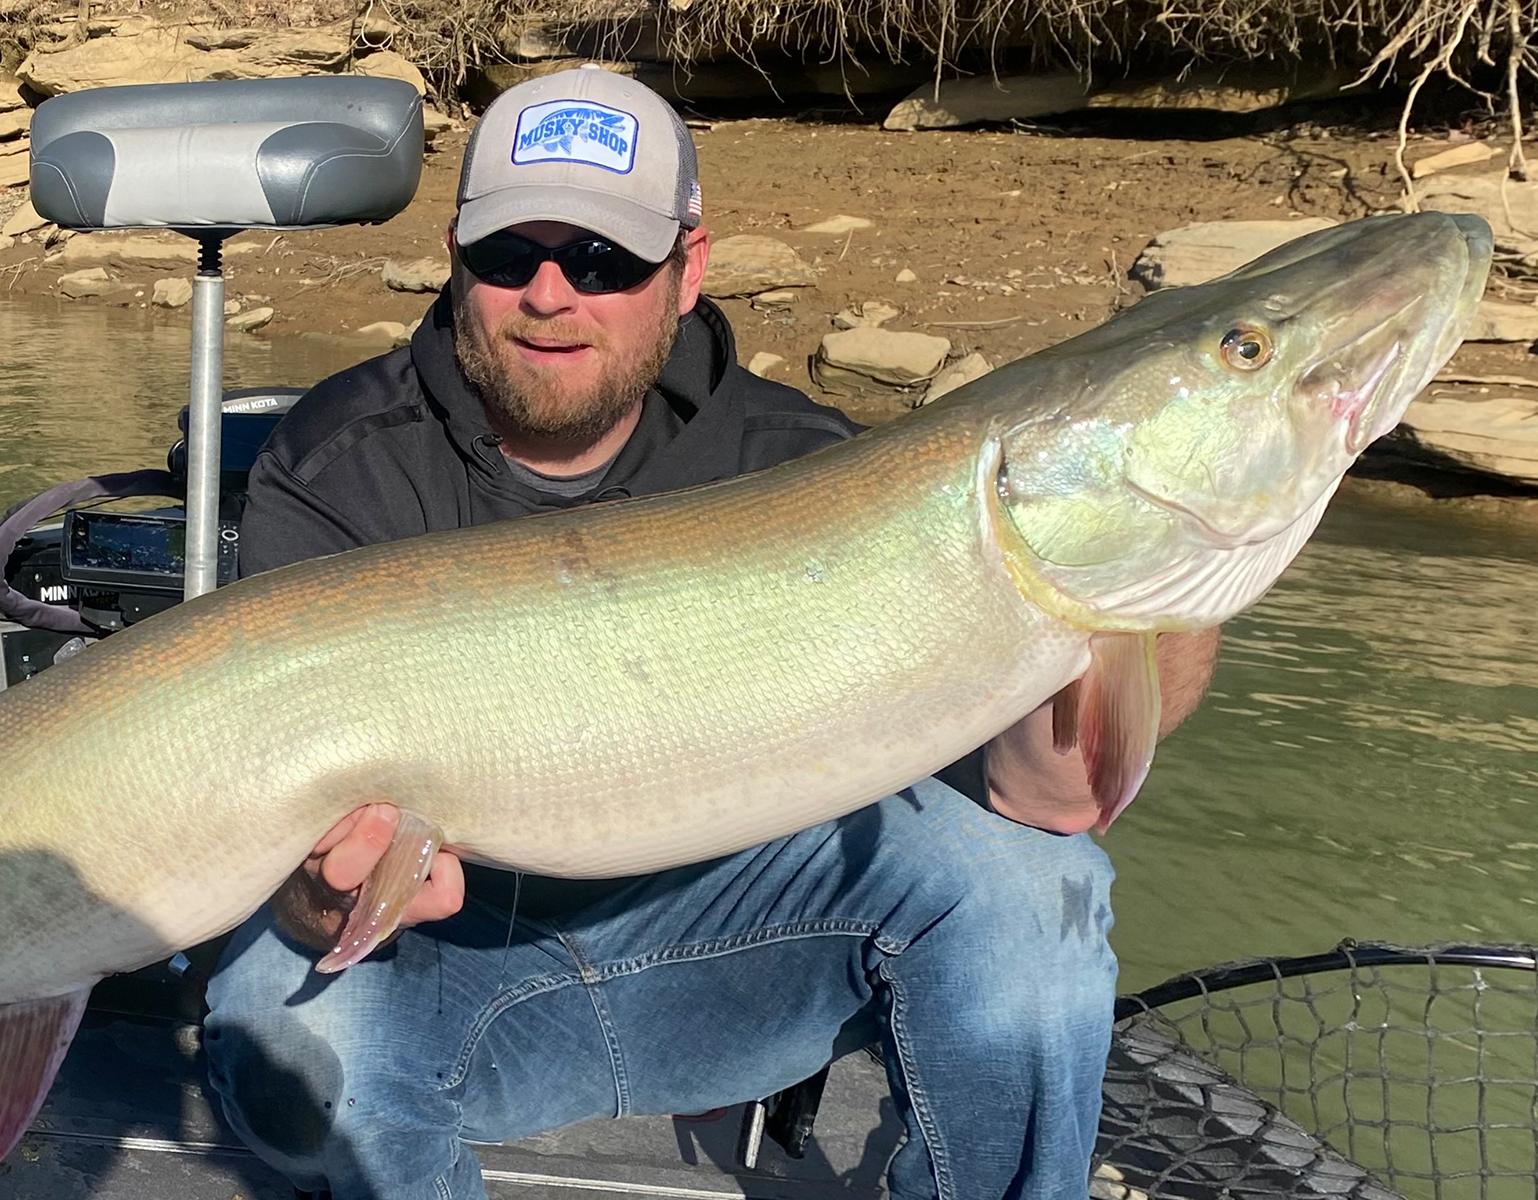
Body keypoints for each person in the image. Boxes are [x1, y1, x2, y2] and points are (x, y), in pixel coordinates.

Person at [204, 65, 1220, 1200]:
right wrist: (328, 894)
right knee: (276, 1015)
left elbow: (1051, 799)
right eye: (508, 256)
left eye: (602, 260)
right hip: (444, 983)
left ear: (686, 270)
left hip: (734, 974)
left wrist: (1167, 568)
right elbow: (277, 875)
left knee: (1034, 889)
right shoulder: (337, 467)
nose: (551, 294)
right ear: (454, 256)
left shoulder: (804, 466)